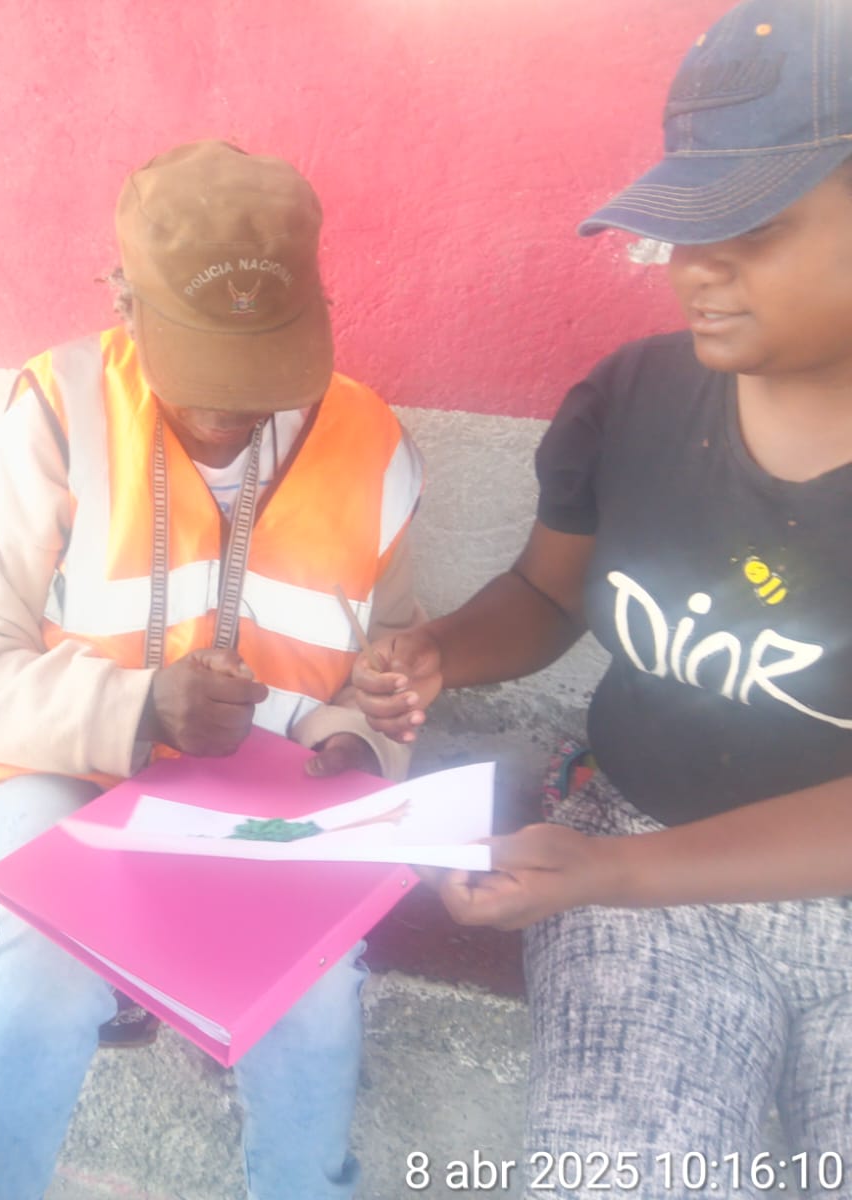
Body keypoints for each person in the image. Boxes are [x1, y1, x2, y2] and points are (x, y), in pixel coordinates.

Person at [351, 2, 852, 1195]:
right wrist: (442, 648)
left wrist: (610, 873)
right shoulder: (631, 399)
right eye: (681, 228)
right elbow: (547, 592)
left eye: (751, 227)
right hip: (637, 861)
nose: (695, 269)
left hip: (655, 875)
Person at [0, 140, 424, 1200]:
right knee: (49, 962)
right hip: (62, 758)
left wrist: (360, 732)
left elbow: (391, 660)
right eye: (203, 367)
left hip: (264, 785)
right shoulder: (62, 408)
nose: (232, 408)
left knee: (312, 985)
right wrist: (143, 705)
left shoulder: (372, 439)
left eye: (263, 365)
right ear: (123, 303)